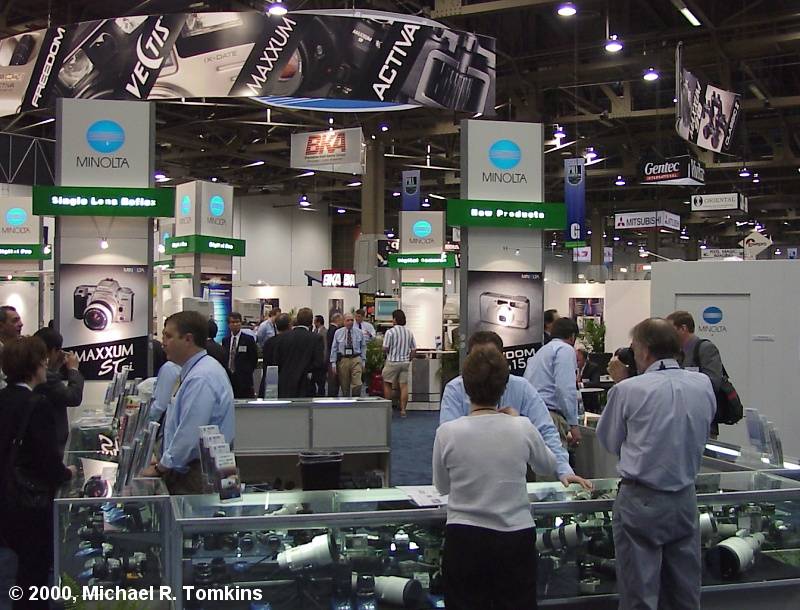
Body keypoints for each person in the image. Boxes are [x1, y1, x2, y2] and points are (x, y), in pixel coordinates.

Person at [596, 318, 715, 610]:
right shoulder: (702, 384)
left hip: (642, 500)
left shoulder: (627, 390)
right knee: (685, 592)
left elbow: (610, 441)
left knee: (640, 595)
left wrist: (623, 382)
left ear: (645, 351)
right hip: (685, 497)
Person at [433, 346, 558, 610]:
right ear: (504, 386)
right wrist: (519, 420)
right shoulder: (522, 427)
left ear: (465, 386)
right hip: (515, 536)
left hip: (464, 537)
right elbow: (548, 464)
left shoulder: (447, 433)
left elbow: (442, 487)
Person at [440, 331, 589, 488]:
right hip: (471, 476)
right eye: (478, 359)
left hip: (513, 476)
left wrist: (565, 471)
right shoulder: (455, 389)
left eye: (490, 358)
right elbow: (449, 443)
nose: (484, 366)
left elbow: (546, 431)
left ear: (502, 358)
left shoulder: (521, 387)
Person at [0, 337, 74, 609]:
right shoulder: (37, 404)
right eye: (43, 361)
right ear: (34, 366)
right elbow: (46, 458)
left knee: (19, 569)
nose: (46, 366)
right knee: (35, 570)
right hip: (30, 502)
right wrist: (67, 474)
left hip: (7, 496)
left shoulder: (3, 398)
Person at [142, 311, 234, 494]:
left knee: (196, 512)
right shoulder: (196, 370)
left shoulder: (201, 377)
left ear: (188, 339)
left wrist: (161, 466)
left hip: (198, 473)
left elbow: (189, 433)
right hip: (197, 467)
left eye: (168, 336)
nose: (163, 342)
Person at [524, 317, 582, 448]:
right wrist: (573, 424)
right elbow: (565, 388)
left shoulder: (541, 352)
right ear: (572, 336)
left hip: (531, 415)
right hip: (550, 416)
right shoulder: (565, 349)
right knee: (556, 459)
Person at [667, 310, 726, 436]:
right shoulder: (676, 353)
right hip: (679, 422)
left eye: (670, 330)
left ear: (683, 328)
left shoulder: (705, 348)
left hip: (702, 421)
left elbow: (713, 382)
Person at [32, 327, 85, 453]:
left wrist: (56, 367)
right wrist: (73, 369)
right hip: (51, 441)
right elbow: (73, 397)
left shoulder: (42, 373)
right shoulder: (45, 377)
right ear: (51, 351)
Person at [272, 307, 325, 398]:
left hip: (285, 382)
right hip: (306, 383)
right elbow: (318, 362)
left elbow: (276, 360)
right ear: (311, 321)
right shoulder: (316, 338)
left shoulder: (282, 337)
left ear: (297, 319)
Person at [382, 309, 416, 417]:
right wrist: (409, 359)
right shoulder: (409, 332)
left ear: (395, 319)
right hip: (405, 362)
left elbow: (385, 348)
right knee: (404, 386)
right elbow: (414, 349)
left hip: (392, 361)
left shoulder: (390, 332)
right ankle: (403, 410)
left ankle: (389, 409)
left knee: (387, 383)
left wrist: (385, 353)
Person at [223, 311, 258, 399]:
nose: (235, 324)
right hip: (229, 379)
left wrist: (247, 371)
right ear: (228, 324)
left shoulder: (248, 339)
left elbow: (254, 359)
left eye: (237, 322)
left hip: (244, 380)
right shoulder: (225, 340)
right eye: (232, 322)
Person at [330, 313, 366, 398]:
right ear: (344, 321)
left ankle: (355, 399)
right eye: (348, 320)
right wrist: (333, 363)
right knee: (344, 385)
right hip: (344, 359)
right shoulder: (338, 332)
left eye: (352, 320)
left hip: (356, 358)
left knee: (357, 383)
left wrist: (363, 361)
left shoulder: (359, 332)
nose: (350, 322)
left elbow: (363, 347)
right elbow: (334, 348)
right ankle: (346, 401)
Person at [259, 314, 291, 396]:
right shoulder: (293, 343)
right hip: (288, 384)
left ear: (275, 326)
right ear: (289, 325)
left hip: (270, 381)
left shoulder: (269, 342)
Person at [0, 305, 23, 390]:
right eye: (15, 321)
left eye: (20, 320)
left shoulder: (17, 350)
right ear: (1, 326)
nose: (21, 324)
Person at [576, 346, 602, 413]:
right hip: (575, 398)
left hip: (589, 399)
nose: (575, 362)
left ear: (585, 359)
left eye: (578, 360)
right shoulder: (572, 368)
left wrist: (580, 385)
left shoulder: (593, 367)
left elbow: (596, 383)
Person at [326, 313, 343, 397]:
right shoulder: (335, 330)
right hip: (334, 357)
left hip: (330, 356)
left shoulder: (330, 329)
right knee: (334, 379)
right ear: (337, 319)